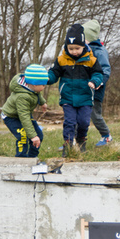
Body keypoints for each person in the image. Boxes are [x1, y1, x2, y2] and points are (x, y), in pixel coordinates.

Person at [48, 23, 103, 156]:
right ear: (66, 47)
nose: (74, 51)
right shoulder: (61, 60)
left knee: (84, 122)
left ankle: (81, 141)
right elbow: (54, 73)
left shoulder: (91, 60)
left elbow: (98, 74)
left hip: (85, 97)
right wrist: (47, 78)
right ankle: (68, 145)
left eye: (77, 48)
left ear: (83, 45)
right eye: (70, 48)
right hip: (68, 97)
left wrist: (94, 81)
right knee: (70, 122)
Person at [0, 64, 49, 158]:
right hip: (11, 117)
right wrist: (32, 136)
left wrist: (42, 103)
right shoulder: (22, 97)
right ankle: (21, 158)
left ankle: (32, 157)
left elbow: (37, 93)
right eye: (43, 85)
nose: (44, 87)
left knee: (39, 135)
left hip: (22, 114)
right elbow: (24, 117)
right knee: (23, 136)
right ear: (35, 84)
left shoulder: (31, 88)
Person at [82, 20, 112, 147]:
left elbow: (106, 69)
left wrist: (99, 82)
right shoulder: (82, 50)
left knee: (95, 115)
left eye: (83, 37)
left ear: (89, 38)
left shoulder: (99, 51)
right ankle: (76, 140)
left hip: (96, 89)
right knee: (79, 115)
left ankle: (106, 136)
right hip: (83, 89)